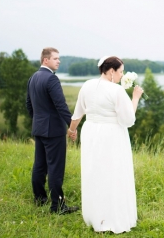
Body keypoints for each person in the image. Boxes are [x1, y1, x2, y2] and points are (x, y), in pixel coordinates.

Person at [68, 56, 144, 234]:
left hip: (91, 133)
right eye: (121, 71)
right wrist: (135, 98)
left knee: (94, 172)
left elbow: (78, 112)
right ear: (111, 71)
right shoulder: (116, 91)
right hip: (112, 135)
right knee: (113, 173)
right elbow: (128, 119)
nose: (121, 75)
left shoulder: (86, 85)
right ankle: (112, 218)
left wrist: (72, 131)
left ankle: (96, 216)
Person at [26, 47, 79, 214]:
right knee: (55, 168)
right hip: (53, 131)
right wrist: (72, 127)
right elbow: (61, 106)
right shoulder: (51, 79)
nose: (59, 61)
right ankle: (58, 206)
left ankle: (40, 199)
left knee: (39, 165)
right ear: (45, 60)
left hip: (39, 128)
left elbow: (29, 105)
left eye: (59, 58)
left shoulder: (33, 78)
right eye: (55, 58)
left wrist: (38, 121)